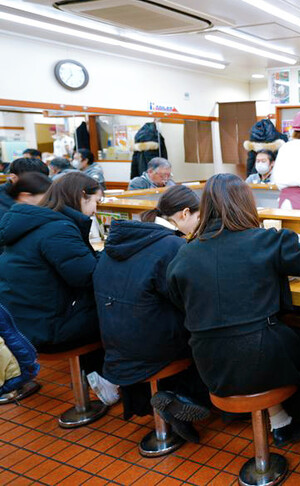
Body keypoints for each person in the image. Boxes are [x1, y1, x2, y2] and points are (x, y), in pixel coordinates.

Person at [167, 174, 300, 445]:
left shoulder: (185, 254)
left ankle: (276, 417)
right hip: (262, 355)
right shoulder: (264, 241)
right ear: (245, 203)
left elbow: (176, 297)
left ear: (205, 206)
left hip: (209, 364)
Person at [93, 185, 208, 438]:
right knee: (207, 335)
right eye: (199, 218)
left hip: (114, 343)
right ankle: (184, 398)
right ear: (184, 214)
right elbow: (188, 300)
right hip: (151, 347)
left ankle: (170, 400)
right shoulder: (171, 246)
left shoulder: (124, 238)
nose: (198, 226)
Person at [0, 173, 115, 401]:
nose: (95, 210)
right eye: (95, 202)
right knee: (117, 310)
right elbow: (86, 276)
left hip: (18, 325)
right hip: (46, 329)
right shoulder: (59, 228)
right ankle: (110, 380)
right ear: (82, 195)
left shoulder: (34, 222)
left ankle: (101, 377)